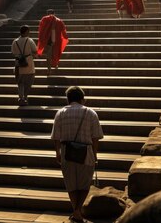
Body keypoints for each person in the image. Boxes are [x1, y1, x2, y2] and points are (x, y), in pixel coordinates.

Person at [51, 86, 104, 223]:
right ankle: (78, 211)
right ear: (82, 99)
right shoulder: (91, 113)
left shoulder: (60, 113)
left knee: (71, 185)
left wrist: (58, 153)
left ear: (68, 99)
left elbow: (56, 136)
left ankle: (76, 212)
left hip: (67, 153)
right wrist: (95, 154)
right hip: (86, 153)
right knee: (84, 185)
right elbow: (96, 137)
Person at [37, 9, 69, 75]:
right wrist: (65, 37)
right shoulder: (59, 21)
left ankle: (49, 69)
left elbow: (41, 30)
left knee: (48, 55)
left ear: (47, 13)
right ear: (54, 13)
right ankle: (55, 64)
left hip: (48, 40)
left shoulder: (44, 19)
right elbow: (63, 30)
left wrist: (41, 39)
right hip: (57, 40)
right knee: (56, 53)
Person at [11, 25, 37, 105]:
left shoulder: (15, 41)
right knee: (29, 81)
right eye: (28, 31)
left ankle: (21, 98)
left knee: (20, 82)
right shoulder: (29, 40)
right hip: (28, 63)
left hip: (18, 64)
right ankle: (25, 97)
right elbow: (35, 50)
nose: (29, 33)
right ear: (26, 32)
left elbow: (13, 53)